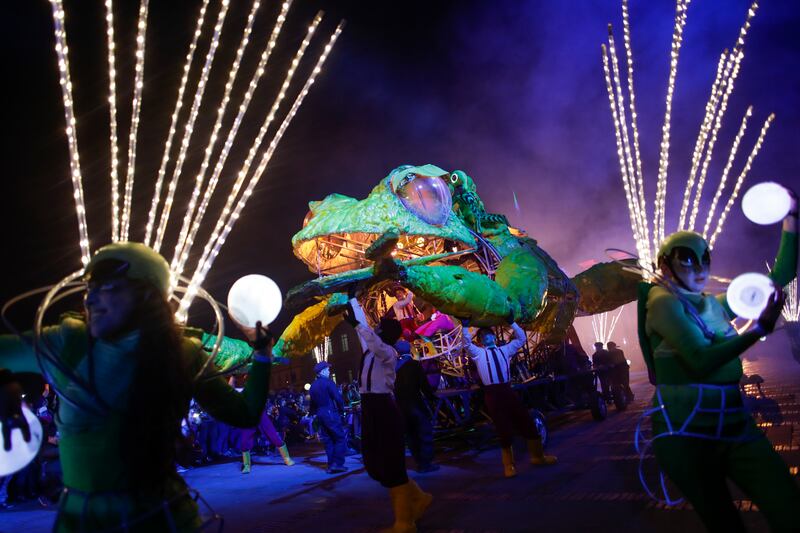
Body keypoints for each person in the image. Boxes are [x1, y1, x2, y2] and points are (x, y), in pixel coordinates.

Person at [0, 242, 272, 532]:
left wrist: (263, 354)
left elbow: (245, 413)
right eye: (90, 289)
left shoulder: (182, 353)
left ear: (146, 295)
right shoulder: (69, 342)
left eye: (107, 287)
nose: (90, 299)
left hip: (164, 520)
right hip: (81, 523)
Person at [638, 193, 799, 532]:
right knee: (725, 524)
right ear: (664, 264)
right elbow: (699, 360)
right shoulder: (661, 302)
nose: (699, 268)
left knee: (788, 505)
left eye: (705, 259)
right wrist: (759, 328)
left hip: (734, 426)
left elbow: (779, 276)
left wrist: (791, 219)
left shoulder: (714, 305)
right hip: (685, 435)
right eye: (687, 259)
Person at [344, 297, 431, 533]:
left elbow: (370, 337)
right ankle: (419, 498)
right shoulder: (370, 350)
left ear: (385, 334)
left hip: (383, 407)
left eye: (379, 328)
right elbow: (366, 333)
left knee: (392, 464)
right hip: (370, 408)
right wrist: (353, 301)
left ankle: (404, 523)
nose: (375, 329)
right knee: (374, 463)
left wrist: (358, 326)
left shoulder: (388, 353)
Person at [462, 319, 556, 477]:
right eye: (483, 335)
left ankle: (538, 456)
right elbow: (466, 344)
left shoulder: (505, 350)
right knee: (502, 427)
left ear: (494, 336)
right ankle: (509, 465)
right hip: (492, 393)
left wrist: (512, 323)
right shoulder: (478, 353)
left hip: (507, 390)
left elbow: (521, 339)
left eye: (489, 334)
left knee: (526, 420)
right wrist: (465, 327)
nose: (487, 336)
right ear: (480, 341)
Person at [394, 341, 439, 473]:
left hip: (401, 406)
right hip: (415, 403)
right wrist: (431, 397)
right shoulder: (414, 365)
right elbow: (423, 384)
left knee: (411, 434)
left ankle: (419, 461)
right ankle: (426, 463)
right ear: (410, 350)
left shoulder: (394, 367)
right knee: (424, 432)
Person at [308, 361, 347, 473]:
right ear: (322, 371)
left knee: (328, 440)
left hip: (320, 414)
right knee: (340, 438)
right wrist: (342, 410)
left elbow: (312, 404)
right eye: (328, 369)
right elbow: (338, 398)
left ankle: (331, 465)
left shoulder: (313, 386)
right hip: (330, 412)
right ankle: (337, 463)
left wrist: (313, 414)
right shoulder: (328, 382)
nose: (329, 371)